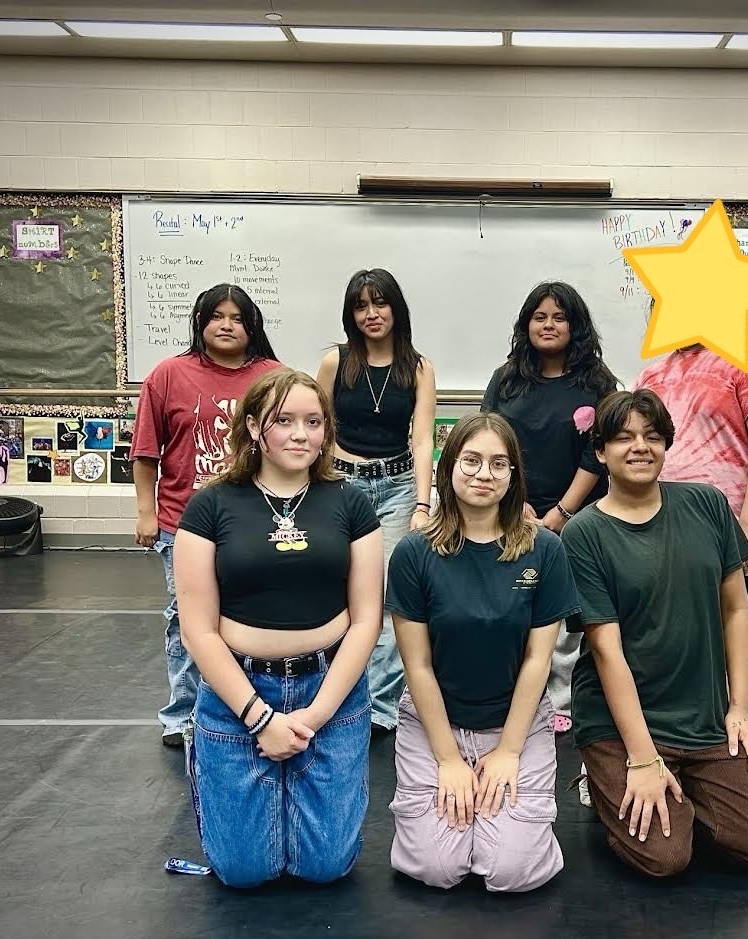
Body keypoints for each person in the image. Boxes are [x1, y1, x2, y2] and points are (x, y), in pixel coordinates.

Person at [174, 369, 383, 888]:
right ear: (252, 428)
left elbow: (366, 621)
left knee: (326, 868)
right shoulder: (210, 506)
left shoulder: (351, 504)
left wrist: (315, 714)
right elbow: (199, 631)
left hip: (329, 689)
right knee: (243, 873)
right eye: (284, 421)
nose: (300, 434)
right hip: (238, 692)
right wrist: (259, 717)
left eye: (313, 422)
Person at [560, 390, 748, 878]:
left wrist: (739, 710)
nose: (640, 447)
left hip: (701, 717)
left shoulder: (705, 504)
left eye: (653, 436)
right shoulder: (584, 534)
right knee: (664, 858)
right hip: (623, 723)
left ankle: (680, 784)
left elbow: (735, 609)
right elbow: (606, 650)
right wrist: (640, 758)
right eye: (623, 438)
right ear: (600, 452)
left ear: (666, 445)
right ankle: (603, 778)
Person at [385, 412, 578, 892]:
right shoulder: (413, 554)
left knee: (511, 872)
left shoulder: (544, 550)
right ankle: (466, 819)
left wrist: (510, 750)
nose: (483, 474)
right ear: (449, 466)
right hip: (436, 721)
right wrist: (449, 760)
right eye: (471, 460)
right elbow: (418, 667)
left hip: (515, 719)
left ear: (513, 476)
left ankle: (504, 827)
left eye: (498, 464)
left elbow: (539, 661)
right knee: (436, 869)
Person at [634, 340, 748, 799]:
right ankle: (669, 749)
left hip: (730, 525)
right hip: (665, 525)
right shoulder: (656, 372)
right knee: (666, 638)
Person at [130, 283, 281, 749]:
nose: (226, 325)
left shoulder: (273, 376)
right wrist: (145, 512)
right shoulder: (168, 375)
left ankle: (247, 705)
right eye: (217, 316)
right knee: (187, 620)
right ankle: (183, 714)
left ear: (252, 325)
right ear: (200, 322)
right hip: (182, 525)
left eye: (237, 318)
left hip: (255, 524)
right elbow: (145, 451)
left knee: (251, 615)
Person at [481, 281, 618, 733]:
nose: (549, 325)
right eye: (540, 317)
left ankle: (560, 701)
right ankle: (511, 694)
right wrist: (514, 503)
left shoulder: (597, 382)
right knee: (512, 605)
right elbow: (489, 439)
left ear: (575, 326)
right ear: (526, 325)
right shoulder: (506, 378)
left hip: (576, 515)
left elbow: (595, 453)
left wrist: (561, 513)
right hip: (510, 509)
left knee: (564, 615)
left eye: (559, 317)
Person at [316, 268, 436, 735]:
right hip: (340, 484)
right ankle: (336, 695)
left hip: (398, 486)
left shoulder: (419, 367)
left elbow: (423, 439)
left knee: (385, 601)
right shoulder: (335, 362)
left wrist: (423, 506)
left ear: (396, 308)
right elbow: (316, 428)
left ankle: (378, 709)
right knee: (337, 592)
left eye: (380, 303)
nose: (371, 314)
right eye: (361, 306)